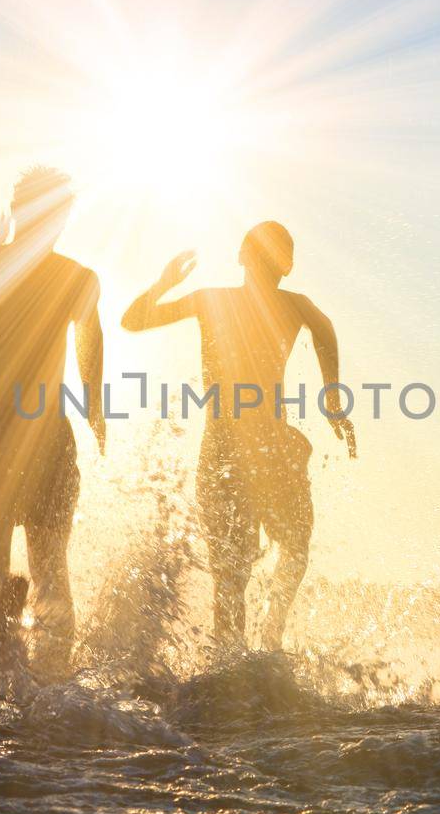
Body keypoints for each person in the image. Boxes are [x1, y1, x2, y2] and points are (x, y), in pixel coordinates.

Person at [122, 222, 353, 652]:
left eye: (279, 258)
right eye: (264, 255)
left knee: (284, 554)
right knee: (234, 572)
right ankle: (244, 657)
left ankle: (266, 642)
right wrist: (162, 284)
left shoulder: (289, 305)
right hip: (233, 450)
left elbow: (325, 331)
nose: (272, 266)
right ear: (243, 258)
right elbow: (132, 320)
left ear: (287, 266)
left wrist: (333, 395)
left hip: (263, 446)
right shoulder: (220, 301)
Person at [0, 166, 105, 677]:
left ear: (16, 209)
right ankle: (52, 692)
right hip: (44, 438)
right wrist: (95, 409)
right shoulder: (78, 277)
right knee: (52, 575)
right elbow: (91, 346)